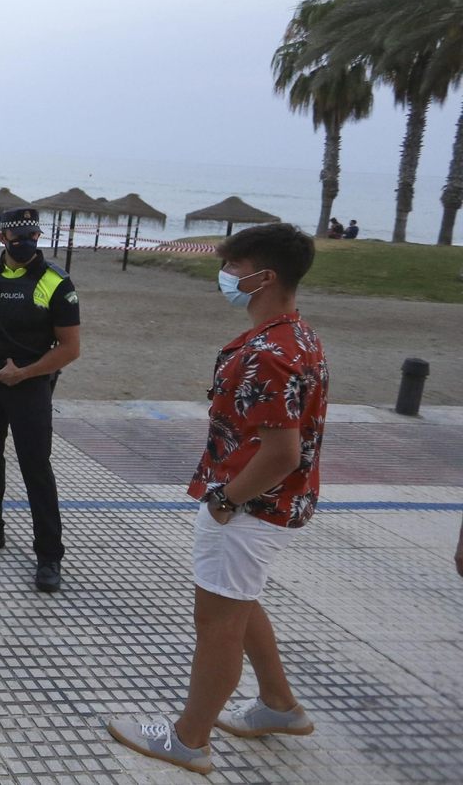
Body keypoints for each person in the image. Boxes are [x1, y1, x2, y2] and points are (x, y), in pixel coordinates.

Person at [109, 223, 325, 775]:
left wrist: (226, 500)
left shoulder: (269, 354)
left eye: (234, 267)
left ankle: (188, 739)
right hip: (265, 506)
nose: (225, 276)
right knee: (240, 602)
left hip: (249, 507)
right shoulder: (298, 336)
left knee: (218, 624)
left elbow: (282, 452)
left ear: (265, 276)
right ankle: (279, 704)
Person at [0, 206, 81, 593]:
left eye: (33, 237)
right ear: (2, 237)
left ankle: (49, 556)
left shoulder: (56, 281)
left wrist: (23, 372)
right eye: (18, 237)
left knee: (35, 468)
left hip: (29, 386)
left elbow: (70, 347)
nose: (26, 244)